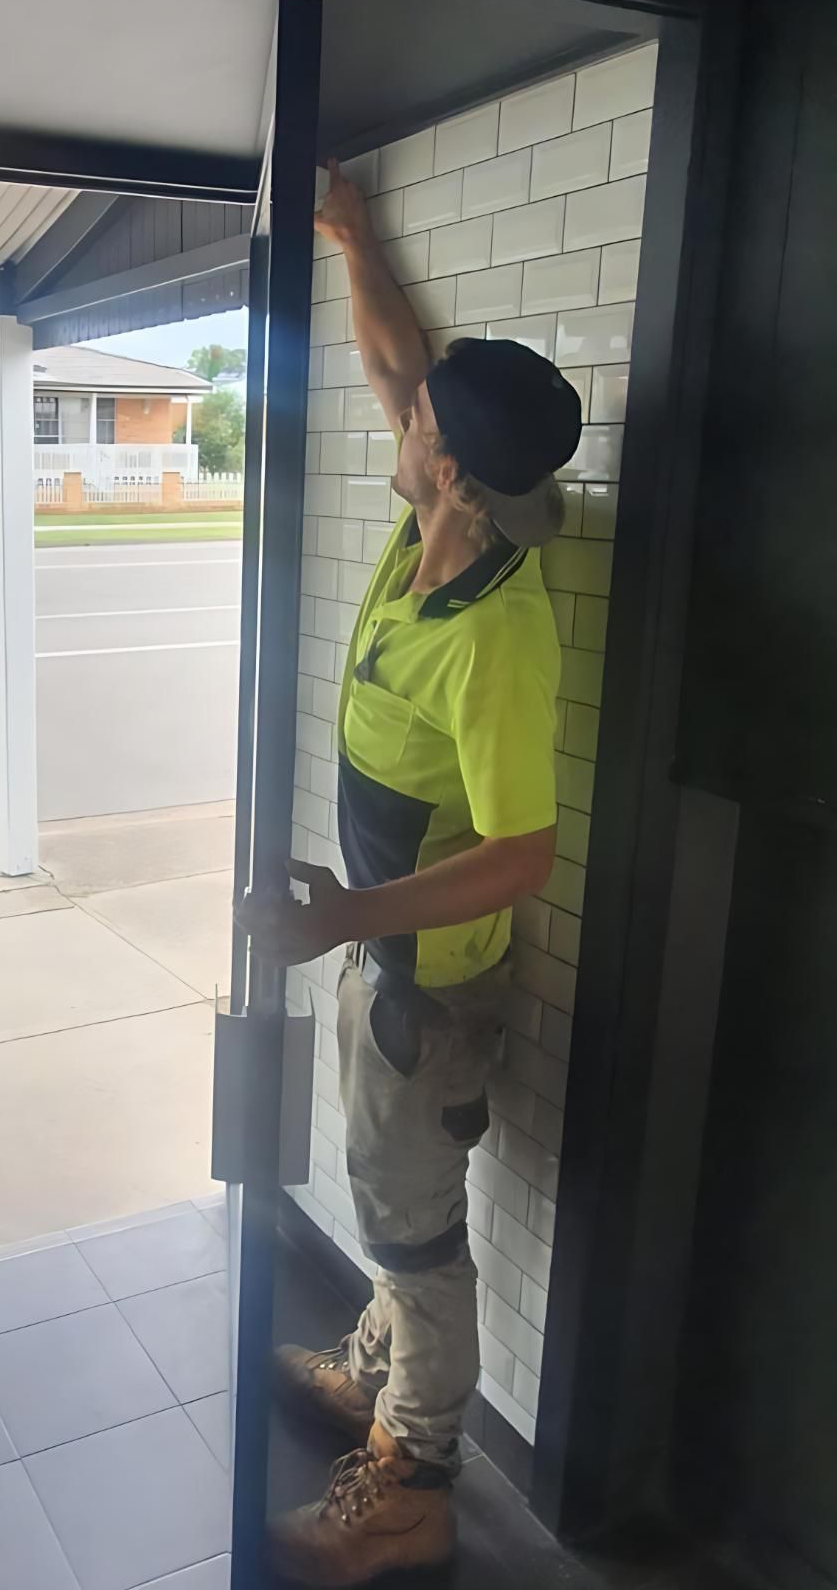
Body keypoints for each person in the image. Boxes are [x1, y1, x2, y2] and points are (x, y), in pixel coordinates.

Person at [236, 158, 583, 1586]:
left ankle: (416, 1472)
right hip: (378, 955)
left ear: (448, 468)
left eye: (418, 421)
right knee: (391, 1194)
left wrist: (348, 920)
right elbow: (397, 359)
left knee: (414, 1228)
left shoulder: (496, 632)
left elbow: (520, 852)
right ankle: (376, 1365)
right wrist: (347, 231)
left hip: (424, 981)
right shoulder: (433, 523)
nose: (400, 409)